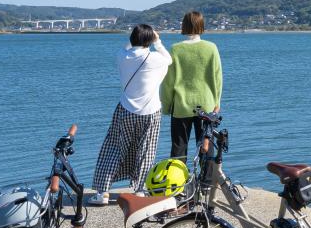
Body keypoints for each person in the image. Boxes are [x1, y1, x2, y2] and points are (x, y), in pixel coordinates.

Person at [87, 23, 171, 206]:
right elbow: (169, 59)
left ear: (133, 38)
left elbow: (126, 47)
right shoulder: (155, 58)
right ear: (149, 40)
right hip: (151, 111)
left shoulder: (122, 56)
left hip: (125, 109)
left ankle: (103, 193)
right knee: (146, 151)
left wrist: (135, 38)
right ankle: (140, 190)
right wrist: (158, 41)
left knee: (114, 148)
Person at [160, 10, 222, 158]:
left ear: (184, 25)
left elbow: (168, 82)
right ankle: (206, 180)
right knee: (206, 147)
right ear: (202, 25)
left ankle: (177, 179)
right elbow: (218, 78)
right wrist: (217, 102)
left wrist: (166, 106)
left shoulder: (176, 49)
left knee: (179, 147)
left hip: (181, 105)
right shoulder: (211, 48)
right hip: (206, 105)